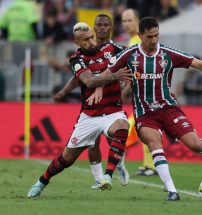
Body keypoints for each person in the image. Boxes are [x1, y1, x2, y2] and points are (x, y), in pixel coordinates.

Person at [91, 17, 202, 201]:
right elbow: (106, 73)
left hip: (168, 108)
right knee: (155, 143)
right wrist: (98, 88)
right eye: (150, 36)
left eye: (156, 35)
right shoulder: (129, 54)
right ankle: (172, 191)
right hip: (144, 114)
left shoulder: (167, 54)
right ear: (140, 35)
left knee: (194, 144)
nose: (154, 40)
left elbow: (200, 64)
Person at [27, 21, 132, 198]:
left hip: (113, 111)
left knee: (122, 126)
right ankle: (42, 181)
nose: (91, 41)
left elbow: (131, 55)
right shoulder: (77, 59)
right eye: (85, 40)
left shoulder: (110, 47)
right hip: (89, 116)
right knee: (66, 159)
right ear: (77, 42)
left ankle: (108, 175)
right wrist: (114, 76)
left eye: (92, 37)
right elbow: (89, 81)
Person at [53, 14, 130, 189]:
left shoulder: (114, 48)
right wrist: (65, 91)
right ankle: (98, 178)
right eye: (99, 25)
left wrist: (126, 84)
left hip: (111, 105)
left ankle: (120, 164)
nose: (102, 28)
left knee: (114, 138)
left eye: (106, 25)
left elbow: (127, 63)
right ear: (94, 27)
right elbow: (79, 77)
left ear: (111, 28)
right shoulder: (81, 53)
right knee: (92, 142)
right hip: (91, 106)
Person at [121, 9, 157, 176]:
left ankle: (120, 155)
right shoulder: (132, 40)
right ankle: (149, 165)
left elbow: (140, 68)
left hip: (148, 93)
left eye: (129, 20)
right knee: (143, 127)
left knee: (139, 126)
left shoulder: (139, 40)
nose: (126, 24)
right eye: (124, 21)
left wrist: (126, 88)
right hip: (141, 94)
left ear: (137, 21)